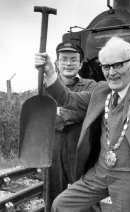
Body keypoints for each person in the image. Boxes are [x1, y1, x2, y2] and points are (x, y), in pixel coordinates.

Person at [35, 1, 130, 212]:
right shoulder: (101, 91)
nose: (112, 72)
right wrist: (50, 73)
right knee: (61, 205)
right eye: (107, 66)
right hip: (100, 171)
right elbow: (68, 99)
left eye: (119, 64)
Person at [42, 42, 99, 212]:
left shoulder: (91, 86)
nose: (68, 63)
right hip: (53, 147)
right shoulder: (44, 86)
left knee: (86, 194)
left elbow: (92, 113)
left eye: (73, 60)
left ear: (80, 64)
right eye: (64, 59)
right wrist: (75, 114)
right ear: (57, 63)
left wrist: (62, 113)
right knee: (52, 194)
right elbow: (42, 116)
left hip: (81, 147)